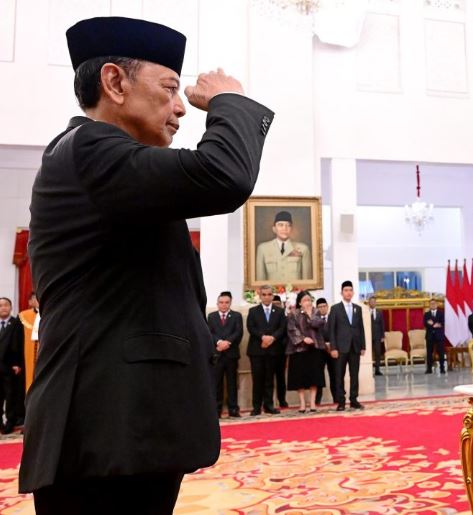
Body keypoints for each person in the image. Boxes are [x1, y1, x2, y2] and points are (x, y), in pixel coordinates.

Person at [23, 16, 273, 511]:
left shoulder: (111, 167)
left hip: (124, 426)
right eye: (169, 88)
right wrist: (229, 100)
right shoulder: (90, 148)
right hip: (105, 428)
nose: (181, 107)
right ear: (115, 83)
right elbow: (223, 175)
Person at [246, 286, 287, 416]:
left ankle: (268, 405)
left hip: (274, 350)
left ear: (272, 296)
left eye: (269, 294)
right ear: (260, 296)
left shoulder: (279, 311)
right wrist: (263, 337)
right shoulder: (253, 311)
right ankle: (256, 407)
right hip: (257, 351)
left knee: (269, 379)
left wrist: (272, 338)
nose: (267, 297)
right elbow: (251, 327)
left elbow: (282, 328)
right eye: (264, 294)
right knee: (258, 379)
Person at [326, 280, 366, 411]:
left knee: (354, 374)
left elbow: (361, 328)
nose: (348, 292)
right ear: (341, 293)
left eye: (350, 290)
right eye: (346, 290)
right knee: (339, 375)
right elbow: (331, 330)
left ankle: (354, 399)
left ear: (353, 292)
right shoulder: (335, 309)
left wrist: (363, 346)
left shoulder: (358, 308)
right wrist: (333, 348)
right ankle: (341, 401)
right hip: (340, 348)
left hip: (355, 347)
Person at [286, 291, 326, 413]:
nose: (307, 302)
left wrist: (309, 314)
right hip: (299, 349)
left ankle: (312, 403)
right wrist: (303, 339)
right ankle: (302, 403)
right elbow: (291, 329)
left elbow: (318, 324)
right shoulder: (293, 313)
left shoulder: (316, 312)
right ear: (299, 303)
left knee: (314, 376)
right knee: (300, 377)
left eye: (309, 300)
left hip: (314, 348)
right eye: (304, 300)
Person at [206, 291, 243, 418]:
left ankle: (233, 409)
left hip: (231, 354)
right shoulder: (211, 316)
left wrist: (227, 342)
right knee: (217, 383)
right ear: (217, 303)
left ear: (230, 303)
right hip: (217, 355)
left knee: (232, 383)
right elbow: (209, 333)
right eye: (221, 302)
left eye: (227, 302)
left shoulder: (236, 316)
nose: (224, 305)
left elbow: (238, 332)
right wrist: (219, 342)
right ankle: (217, 410)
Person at [255, 211, 312, 283]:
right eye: (280, 225)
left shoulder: (303, 249)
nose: (284, 228)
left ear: (291, 228)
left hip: (295, 290)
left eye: (288, 225)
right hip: (271, 290)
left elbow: (307, 282)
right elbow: (260, 281)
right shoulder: (263, 249)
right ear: (274, 229)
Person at [0, 298, 23, 434]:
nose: (3, 307)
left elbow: (18, 344)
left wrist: (17, 363)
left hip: (9, 366)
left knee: (10, 396)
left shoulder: (16, 323)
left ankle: (10, 422)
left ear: (11, 307)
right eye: (0, 305)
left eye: (6, 305)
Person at [314, 297, 339, 406]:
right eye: (320, 307)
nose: (322, 308)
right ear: (317, 308)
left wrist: (331, 345)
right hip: (319, 350)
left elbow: (337, 332)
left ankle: (337, 398)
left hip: (332, 349)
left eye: (324, 306)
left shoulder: (333, 318)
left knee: (334, 374)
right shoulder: (314, 320)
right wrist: (324, 344)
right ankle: (317, 400)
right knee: (318, 375)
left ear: (327, 307)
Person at [271, 295, 289, 408]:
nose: (276, 306)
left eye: (278, 304)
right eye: (274, 304)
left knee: (281, 377)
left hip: (281, 351)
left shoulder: (284, 317)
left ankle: (282, 399)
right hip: (268, 350)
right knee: (268, 377)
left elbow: (286, 334)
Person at [18, 293, 38, 393]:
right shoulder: (23, 316)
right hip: (26, 357)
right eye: (35, 298)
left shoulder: (51, 315)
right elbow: (17, 340)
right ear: (30, 302)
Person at [423, 299, 446, 374]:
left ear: (436, 304)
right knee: (429, 352)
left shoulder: (441, 313)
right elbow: (425, 323)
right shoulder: (426, 314)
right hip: (429, 336)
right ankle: (429, 369)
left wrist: (437, 324)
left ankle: (442, 368)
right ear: (429, 305)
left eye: (434, 303)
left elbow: (443, 323)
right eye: (431, 304)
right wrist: (434, 324)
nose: (433, 305)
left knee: (441, 352)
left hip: (439, 335)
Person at [367, 296, 385, 376]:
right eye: (371, 302)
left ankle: (377, 370)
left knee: (378, 353)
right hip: (368, 337)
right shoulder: (366, 312)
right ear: (369, 303)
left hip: (377, 336)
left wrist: (382, 336)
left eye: (374, 302)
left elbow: (382, 324)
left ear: (376, 303)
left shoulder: (379, 312)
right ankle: (369, 370)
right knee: (368, 354)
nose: (372, 303)